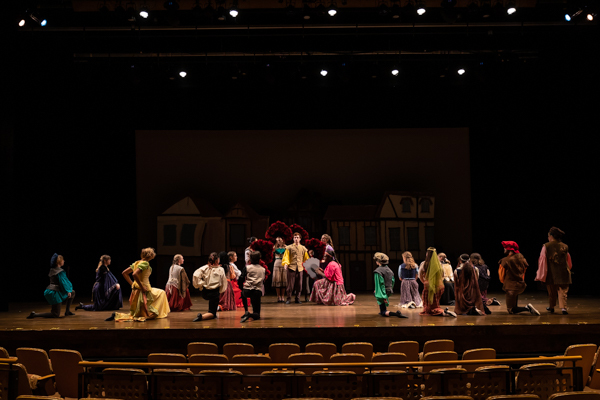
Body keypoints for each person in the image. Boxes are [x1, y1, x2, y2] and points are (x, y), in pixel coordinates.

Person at [108, 248, 170, 322]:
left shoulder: (137, 263)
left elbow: (124, 273)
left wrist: (133, 284)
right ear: (150, 255)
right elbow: (134, 274)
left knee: (161, 292)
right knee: (153, 312)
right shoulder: (145, 263)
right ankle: (146, 313)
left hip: (139, 288)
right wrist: (141, 286)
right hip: (144, 289)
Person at [536, 227, 573, 315]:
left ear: (551, 236)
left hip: (551, 273)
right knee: (563, 291)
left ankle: (552, 307)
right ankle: (563, 308)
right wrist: (568, 269)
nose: (548, 238)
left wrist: (541, 275)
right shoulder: (565, 246)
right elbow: (568, 261)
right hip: (564, 272)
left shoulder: (546, 246)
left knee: (551, 291)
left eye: (548, 236)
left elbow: (542, 260)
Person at [27, 253, 76, 319]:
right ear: (59, 262)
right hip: (55, 293)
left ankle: (67, 311)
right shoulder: (59, 272)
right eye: (63, 260)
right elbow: (64, 282)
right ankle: (35, 314)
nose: (64, 261)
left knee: (72, 292)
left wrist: (69, 291)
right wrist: (68, 291)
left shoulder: (53, 270)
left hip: (54, 291)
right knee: (55, 314)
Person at [499, 241, 539, 315]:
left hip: (510, 286)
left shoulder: (505, 260)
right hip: (520, 284)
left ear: (510, 249)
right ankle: (522, 308)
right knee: (514, 305)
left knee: (510, 309)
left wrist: (504, 282)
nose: (504, 249)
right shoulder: (521, 258)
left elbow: (501, 275)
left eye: (505, 247)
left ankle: (527, 308)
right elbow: (524, 271)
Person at [418, 247, 456, 317]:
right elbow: (442, 275)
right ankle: (442, 311)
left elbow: (420, 275)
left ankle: (442, 312)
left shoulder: (424, 264)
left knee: (429, 306)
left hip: (429, 285)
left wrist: (425, 282)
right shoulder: (439, 264)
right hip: (439, 285)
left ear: (427, 254)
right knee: (435, 302)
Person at [192, 252, 227, 322]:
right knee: (213, 313)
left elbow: (195, 275)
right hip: (214, 293)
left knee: (212, 306)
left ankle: (209, 314)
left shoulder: (204, 268)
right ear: (217, 260)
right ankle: (202, 317)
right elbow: (223, 282)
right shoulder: (220, 269)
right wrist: (221, 290)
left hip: (205, 292)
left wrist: (201, 284)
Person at [374, 252, 407, 318]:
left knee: (383, 312)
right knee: (382, 307)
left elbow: (380, 284)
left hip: (382, 292)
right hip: (388, 290)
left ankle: (395, 314)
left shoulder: (378, 271)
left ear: (378, 261)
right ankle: (382, 310)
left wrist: (383, 296)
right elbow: (392, 281)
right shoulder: (389, 270)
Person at [282, 232, 309, 304]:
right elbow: (286, 257)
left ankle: (297, 298)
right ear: (293, 239)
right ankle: (289, 298)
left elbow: (306, 258)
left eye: (297, 237)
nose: (296, 239)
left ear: (300, 239)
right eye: (295, 237)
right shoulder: (289, 247)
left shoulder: (303, 248)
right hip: (291, 267)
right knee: (290, 284)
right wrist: (286, 264)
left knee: (299, 285)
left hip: (300, 268)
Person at [240, 251, 266, 322]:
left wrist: (242, 288)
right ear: (259, 259)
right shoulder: (263, 269)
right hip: (257, 292)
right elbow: (263, 281)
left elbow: (241, 278)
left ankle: (246, 311)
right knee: (257, 314)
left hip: (247, 291)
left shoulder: (247, 268)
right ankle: (250, 314)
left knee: (242, 293)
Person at [272, 236, 288, 303]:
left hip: (284, 263)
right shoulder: (274, 247)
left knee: (283, 279)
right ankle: (278, 296)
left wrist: (286, 247)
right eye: (277, 240)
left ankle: (282, 296)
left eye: (280, 240)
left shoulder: (286, 247)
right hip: (277, 262)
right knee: (278, 279)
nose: (279, 241)